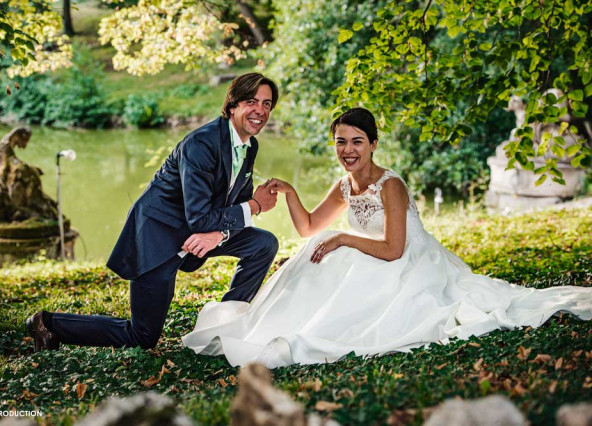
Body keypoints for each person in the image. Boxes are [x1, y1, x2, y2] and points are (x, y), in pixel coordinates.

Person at [182, 107, 592, 369]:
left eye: (357, 141)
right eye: (341, 141)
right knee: (312, 249)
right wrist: (289, 193)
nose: (348, 149)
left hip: (411, 262)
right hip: (372, 254)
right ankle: (285, 324)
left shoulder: (390, 185)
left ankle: (323, 329)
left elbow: (394, 249)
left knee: (338, 252)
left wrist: (343, 239)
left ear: (373, 144)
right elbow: (308, 226)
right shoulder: (344, 185)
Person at [26, 73, 281, 352]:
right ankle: (48, 324)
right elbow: (200, 217)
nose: (260, 110)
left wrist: (219, 234)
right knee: (142, 337)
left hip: (198, 234)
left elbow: (233, 205)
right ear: (232, 105)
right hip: (159, 236)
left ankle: (228, 323)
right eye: (251, 101)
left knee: (263, 243)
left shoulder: (249, 146)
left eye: (267, 104)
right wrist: (255, 207)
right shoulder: (202, 143)